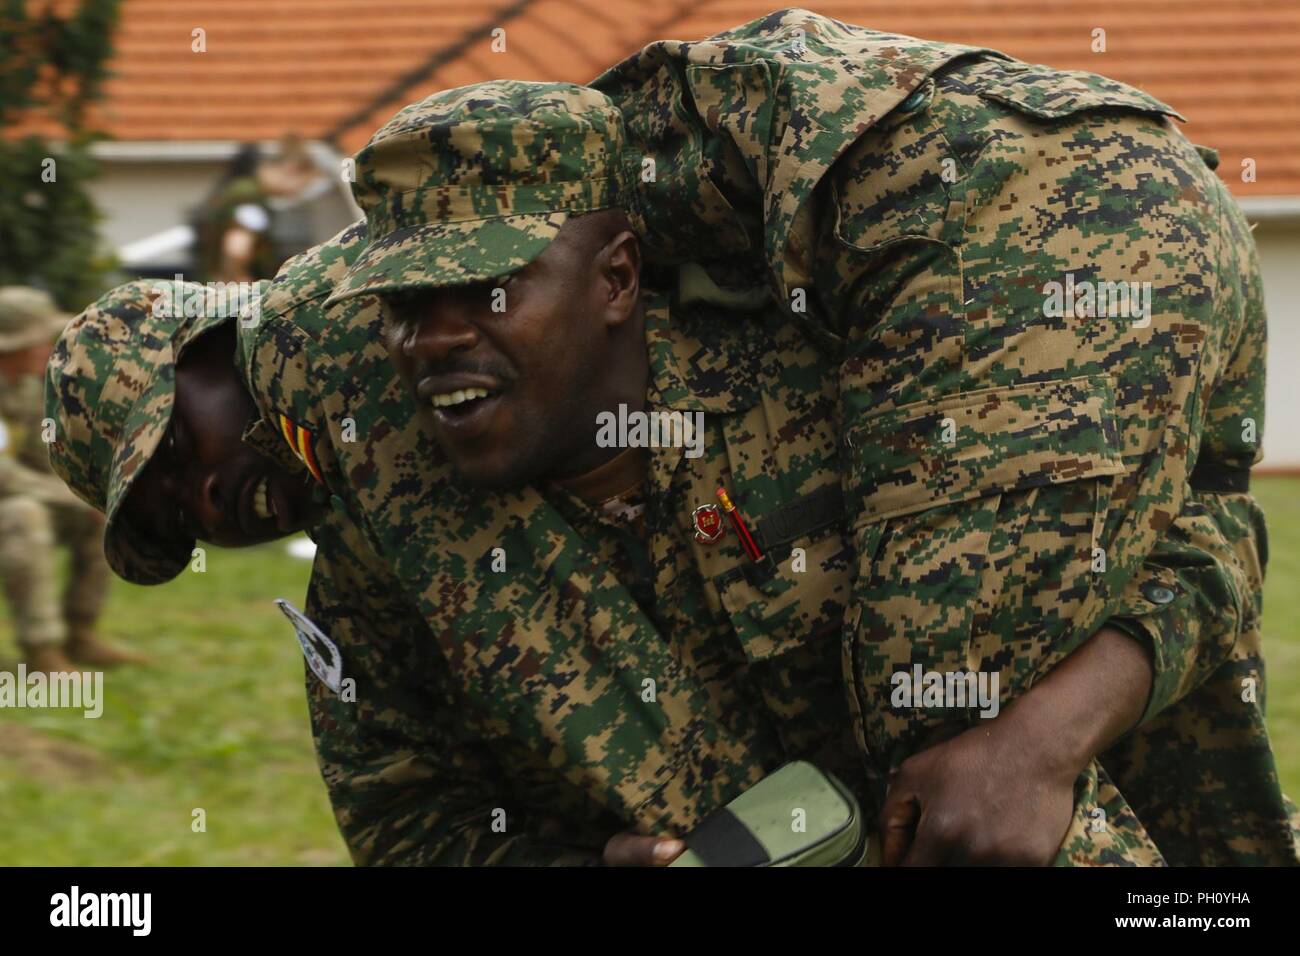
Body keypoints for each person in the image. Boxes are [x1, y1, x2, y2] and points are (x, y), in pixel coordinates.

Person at [272, 74, 1291, 863]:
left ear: (617, 276)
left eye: (483, 289)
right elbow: (405, 811)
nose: (431, 338)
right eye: (402, 303)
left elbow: (1205, 539)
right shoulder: (396, 510)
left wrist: (1039, 739)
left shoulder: (826, 381)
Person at [585, 9, 1291, 865]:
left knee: (945, 746)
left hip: (1045, 198)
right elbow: (1215, 529)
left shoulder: (611, 190)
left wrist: (1032, 742)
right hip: (1149, 169)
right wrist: (1047, 736)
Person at [0, 286, 141, 673]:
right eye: (38, 339)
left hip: (16, 497)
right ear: (13, 345)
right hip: (10, 503)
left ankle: (80, 633)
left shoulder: (28, 388)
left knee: (94, 516)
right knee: (24, 514)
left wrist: (88, 494)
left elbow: (42, 459)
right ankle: (41, 649)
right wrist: (68, 498)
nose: (48, 345)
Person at [194, 136, 319, 283]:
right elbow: (236, 249)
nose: (295, 193)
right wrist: (243, 286)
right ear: (291, 169)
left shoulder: (242, 190)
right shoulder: (249, 197)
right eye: (301, 187)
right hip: (231, 291)